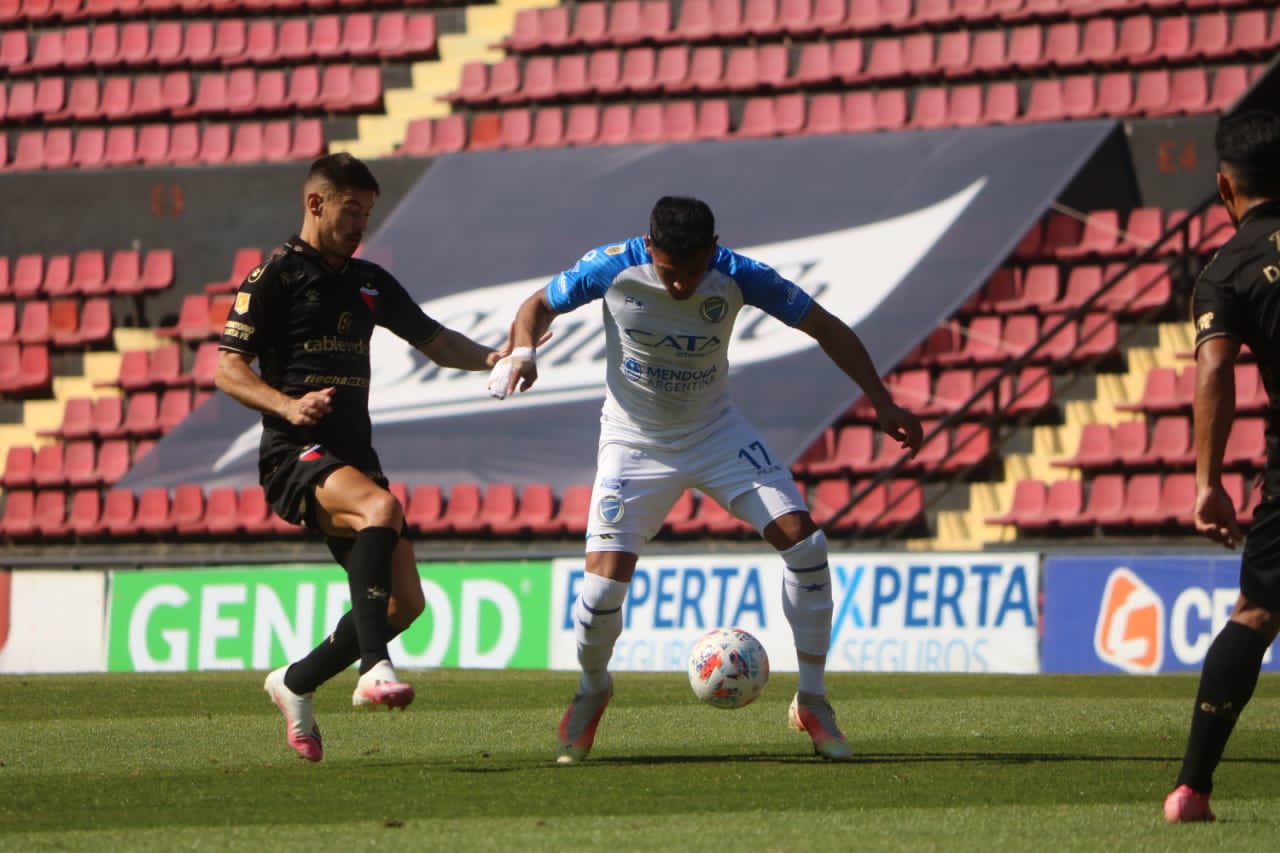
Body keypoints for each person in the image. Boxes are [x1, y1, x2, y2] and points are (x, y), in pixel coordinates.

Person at [491, 196, 924, 763]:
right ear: (650, 248)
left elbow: (825, 326)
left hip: (716, 433)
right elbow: (537, 305)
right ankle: (593, 688)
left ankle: (813, 701)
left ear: (713, 252)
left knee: (807, 545)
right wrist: (523, 352)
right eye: (670, 272)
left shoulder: (739, 275)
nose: (680, 286)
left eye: (693, 273)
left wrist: (882, 401)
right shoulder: (611, 266)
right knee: (599, 593)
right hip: (634, 441)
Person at [216, 153, 510, 763]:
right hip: (294, 453)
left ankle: (295, 682)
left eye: (368, 214)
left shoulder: (368, 281)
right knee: (381, 509)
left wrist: (492, 358)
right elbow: (228, 369)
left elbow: (435, 340)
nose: (360, 226)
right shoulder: (274, 276)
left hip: (353, 454)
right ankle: (373, 667)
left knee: (406, 604)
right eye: (351, 211)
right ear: (316, 203)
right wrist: (288, 405)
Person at [1165, 109, 1280, 822]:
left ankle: (1192, 788)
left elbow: (1214, 369)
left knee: (1258, 612)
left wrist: (1208, 484)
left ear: (1225, 187)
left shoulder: (1226, 268)